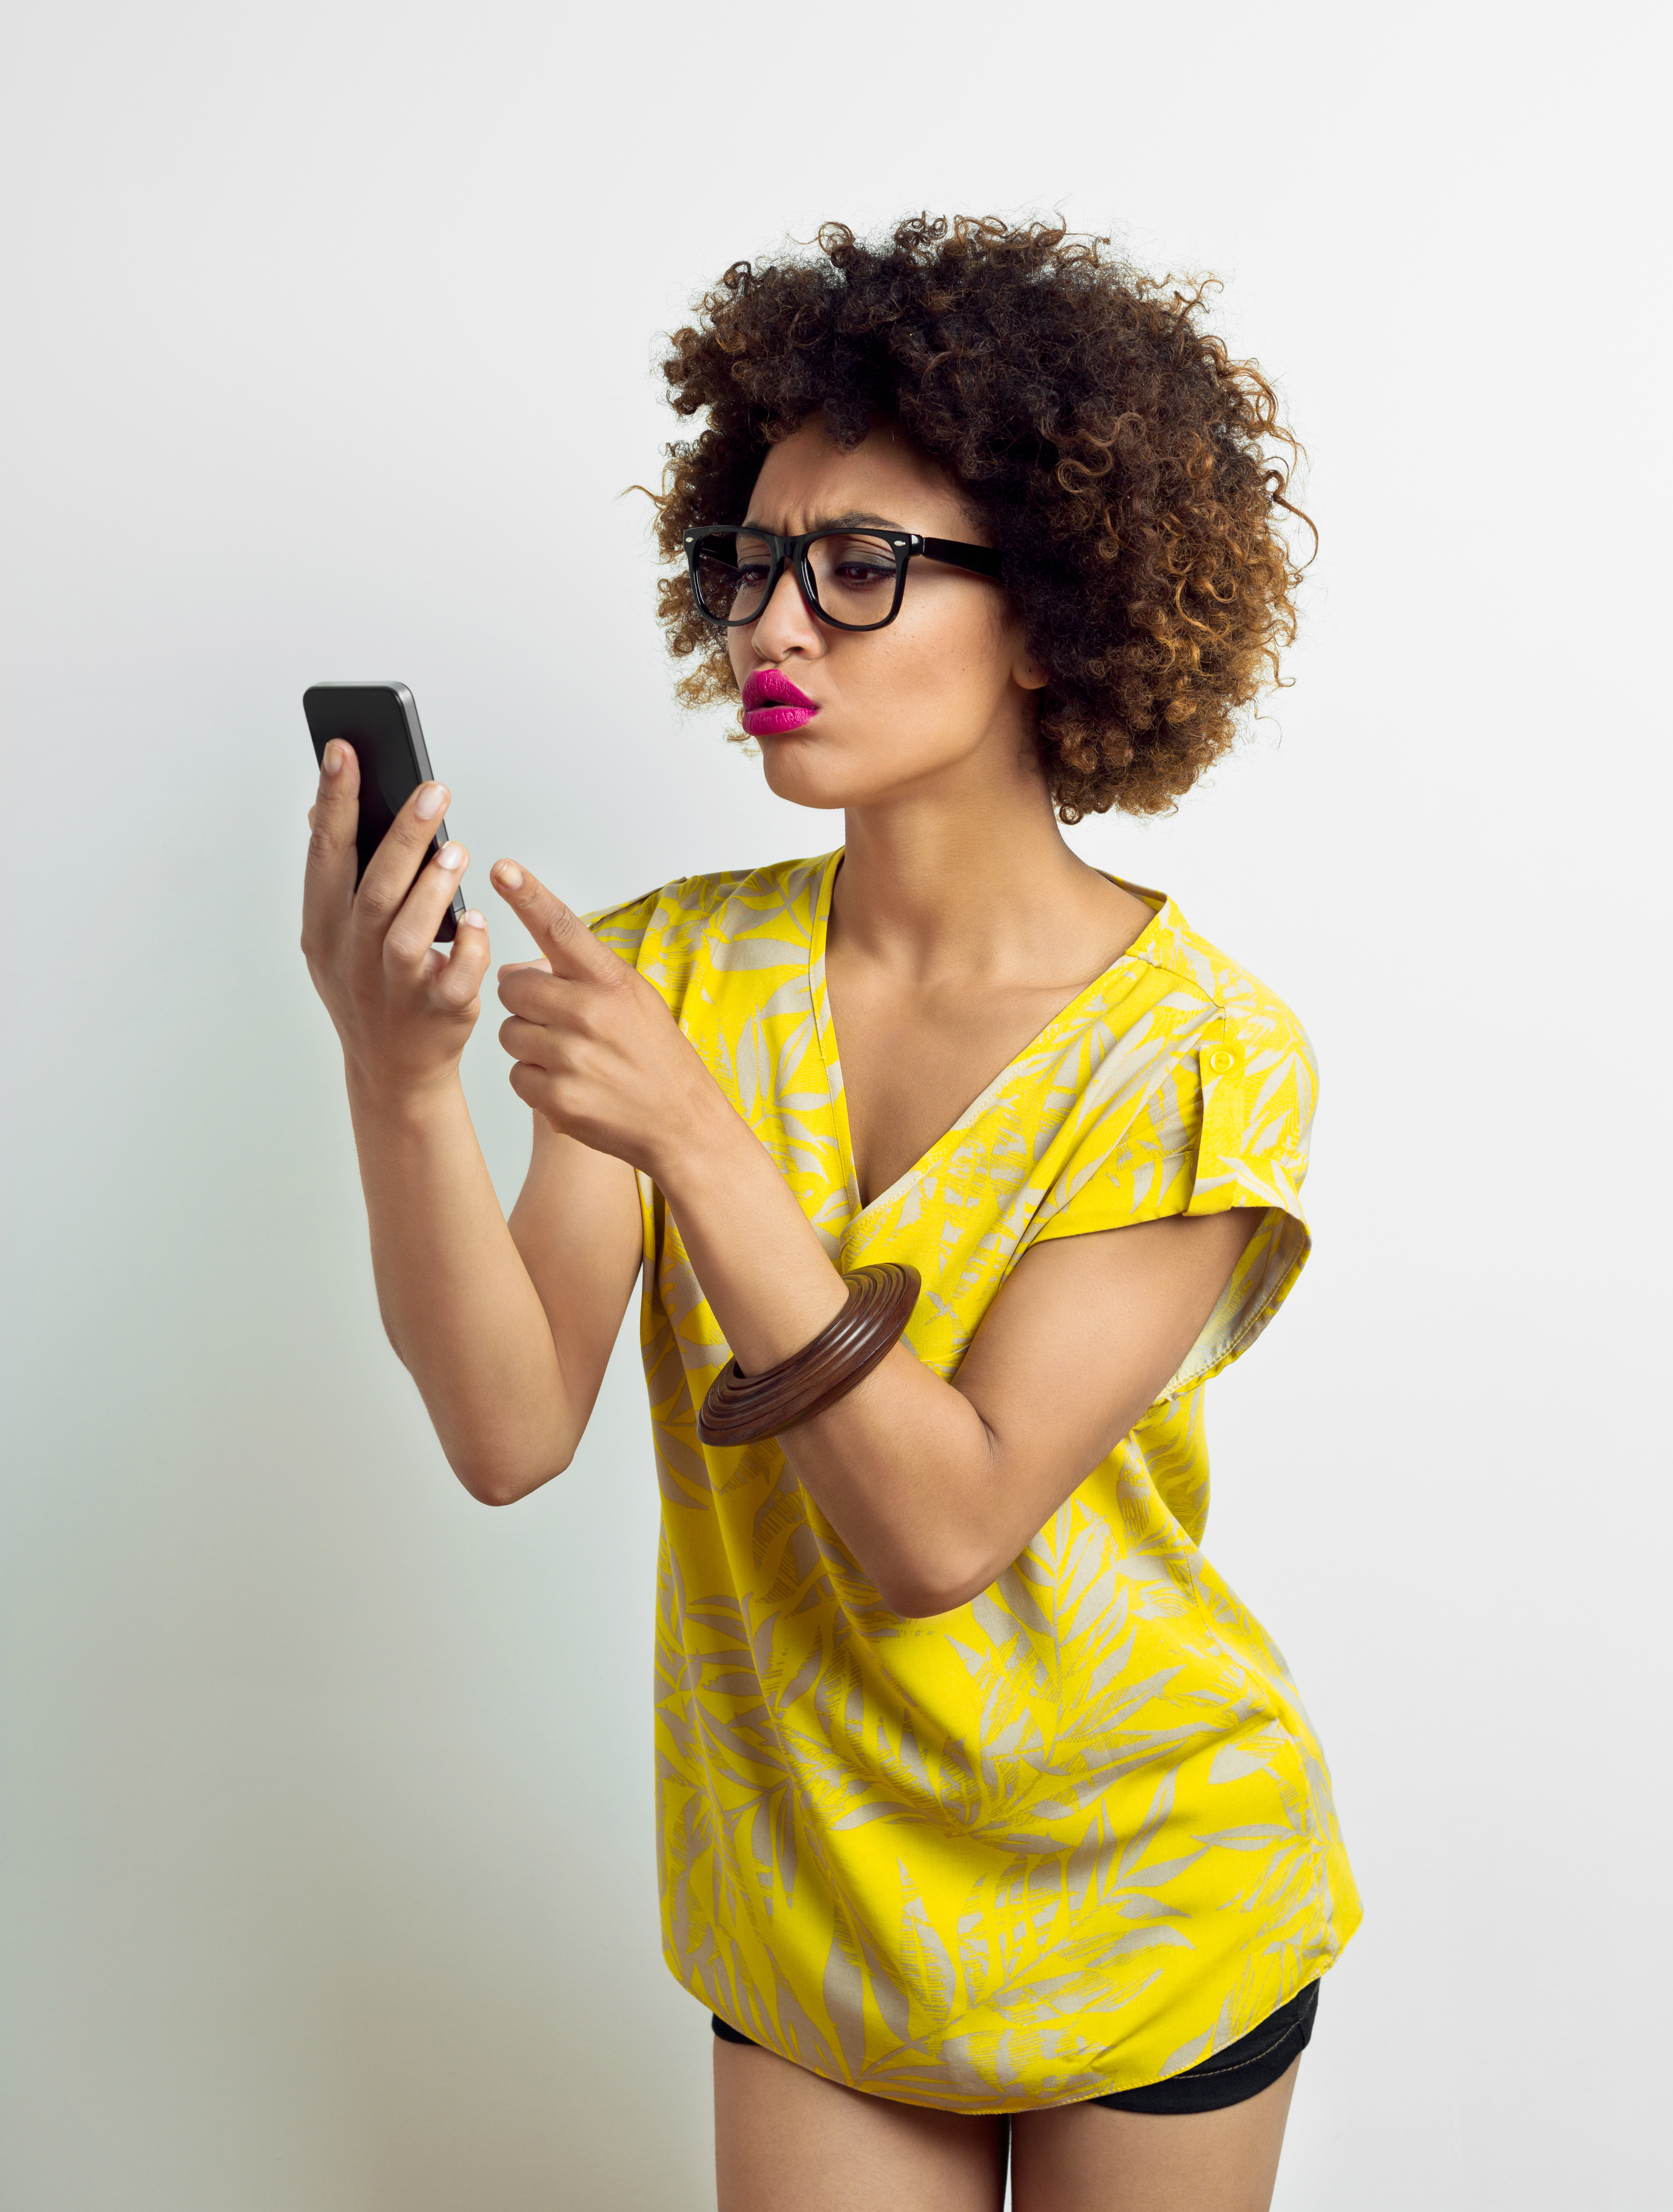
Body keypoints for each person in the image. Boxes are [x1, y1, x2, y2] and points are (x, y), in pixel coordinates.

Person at [301, 215, 1360, 2212]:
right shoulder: (675, 976)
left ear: (1051, 609)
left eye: (861, 569)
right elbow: (512, 1431)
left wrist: (705, 1148)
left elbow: (945, 1525)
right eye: (752, 565)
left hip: (1148, 1887)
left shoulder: (1199, 1054)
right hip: (806, 1893)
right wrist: (402, 1078)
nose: (771, 630)